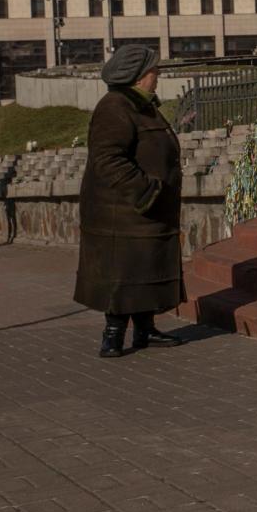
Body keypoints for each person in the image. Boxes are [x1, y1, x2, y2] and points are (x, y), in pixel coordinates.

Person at [74, 45, 185, 358]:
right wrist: (145, 190)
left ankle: (145, 330)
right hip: (122, 209)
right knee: (123, 271)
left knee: (144, 268)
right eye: (154, 70)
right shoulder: (115, 106)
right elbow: (107, 159)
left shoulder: (141, 106)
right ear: (139, 75)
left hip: (146, 209)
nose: (158, 75)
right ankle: (113, 333)